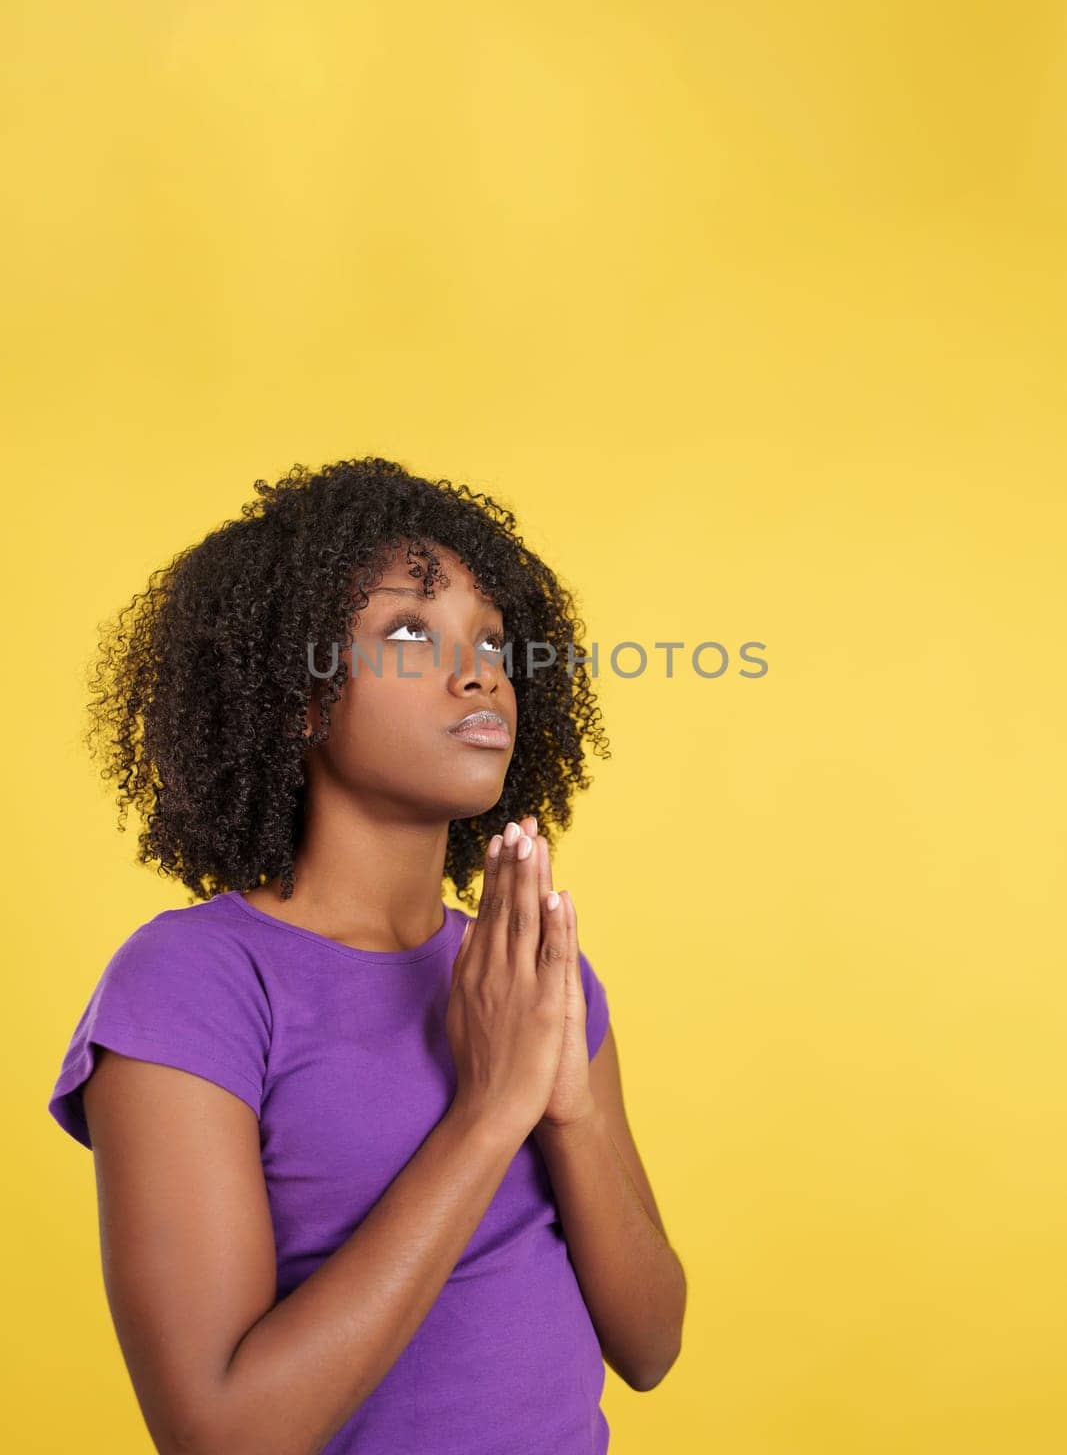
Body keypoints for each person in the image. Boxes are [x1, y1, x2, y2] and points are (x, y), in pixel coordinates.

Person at [47, 455, 687, 1454]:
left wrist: (561, 1103)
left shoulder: (529, 973)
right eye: (406, 631)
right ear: (294, 697)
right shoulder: (192, 984)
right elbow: (222, 1437)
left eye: (490, 639)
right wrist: (487, 1111)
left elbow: (649, 1342)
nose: (477, 670)